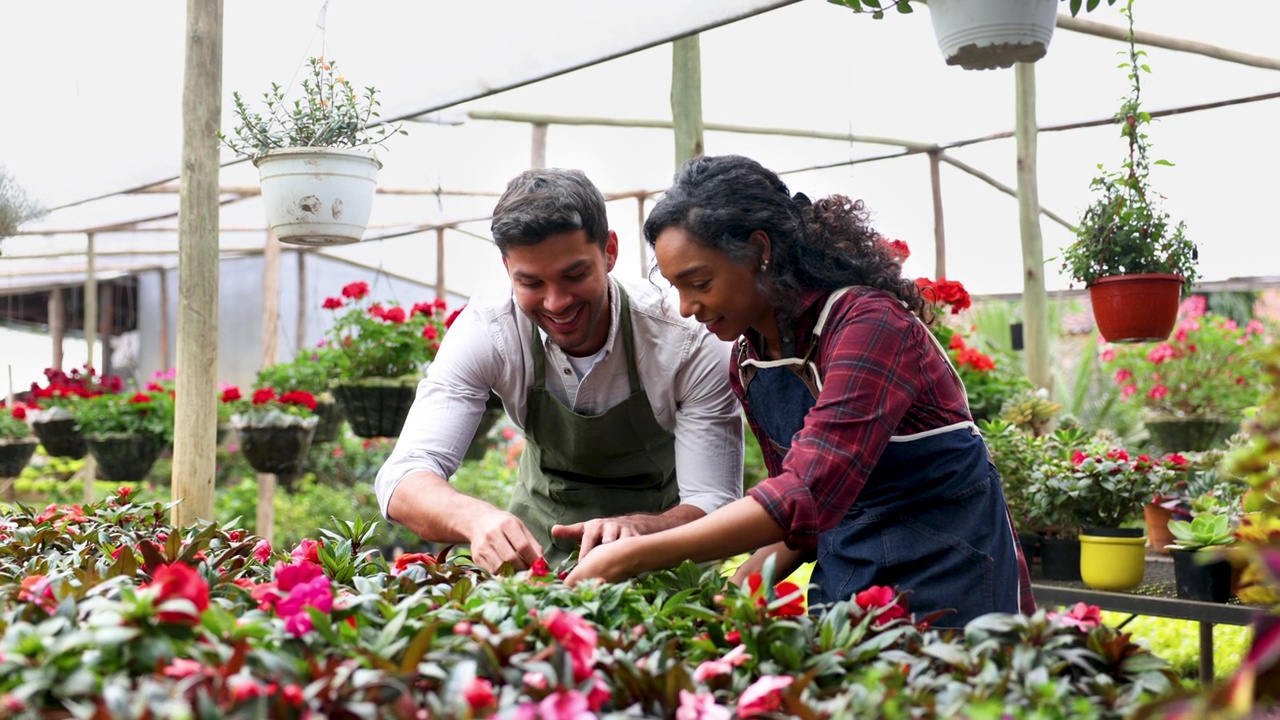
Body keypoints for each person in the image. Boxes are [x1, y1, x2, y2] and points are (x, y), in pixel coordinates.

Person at [566, 155, 1034, 627]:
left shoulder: (869, 324)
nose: (687, 308)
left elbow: (804, 493)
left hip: (953, 586)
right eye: (676, 288)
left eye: (699, 282)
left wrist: (635, 556)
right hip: (850, 592)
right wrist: (731, 593)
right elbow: (800, 526)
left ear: (759, 250)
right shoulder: (751, 361)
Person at [375, 167, 745, 572]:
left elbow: (715, 503)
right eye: (531, 283)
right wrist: (477, 519)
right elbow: (403, 477)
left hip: (667, 558)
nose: (556, 303)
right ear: (507, 269)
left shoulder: (686, 341)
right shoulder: (489, 330)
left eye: (574, 275)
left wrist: (638, 530)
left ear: (609, 252)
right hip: (534, 558)